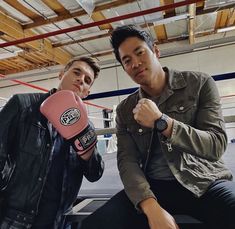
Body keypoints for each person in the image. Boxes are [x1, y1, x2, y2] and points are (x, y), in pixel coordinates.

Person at [79, 25, 235, 229]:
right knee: (94, 225)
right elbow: (128, 162)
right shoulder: (126, 109)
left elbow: (216, 145)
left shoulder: (199, 84)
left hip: (204, 179)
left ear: (156, 50)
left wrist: (163, 122)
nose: (135, 63)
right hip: (153, 186)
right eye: (127, 61)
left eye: (140, 52)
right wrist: (150, 206)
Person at [0, 56, 104, 229]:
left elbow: (95, 174)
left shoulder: (87, 126)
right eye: (76, 72)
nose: (80, 80)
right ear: (62, 74)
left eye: (87, 80)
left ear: (87, 92)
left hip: (59, 222)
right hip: (16, 220)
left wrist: (87, 152)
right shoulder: (22, 105)